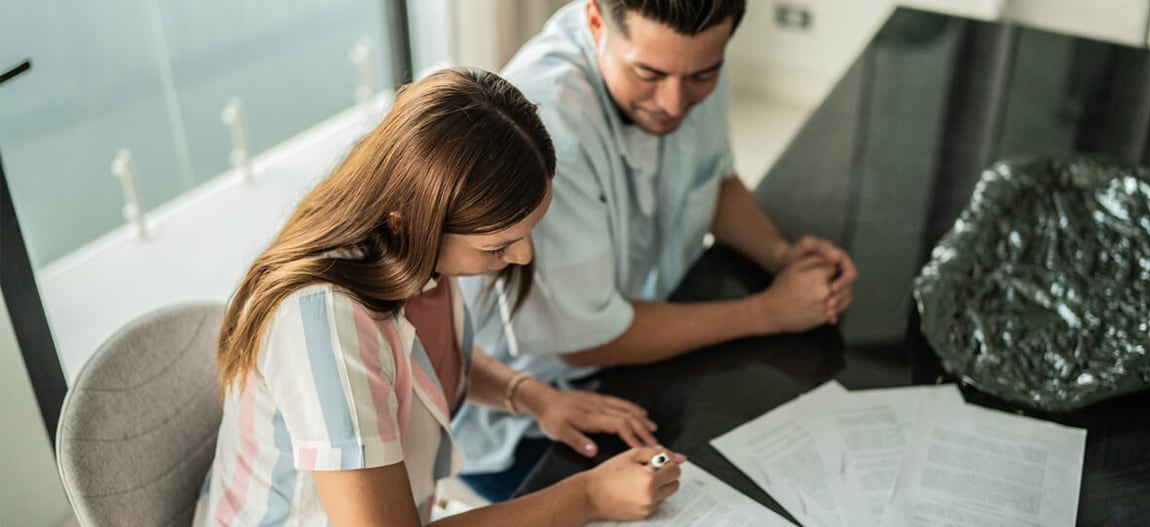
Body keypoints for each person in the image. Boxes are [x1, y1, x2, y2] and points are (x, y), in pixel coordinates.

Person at [193, 67, 684, 527]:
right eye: (498, 245)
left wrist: (535, 397)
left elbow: (419, 362)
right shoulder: (323, 324)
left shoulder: (413, 249)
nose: (524, 256)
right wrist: (587, 497)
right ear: (410, 220)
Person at [453, 0, 859, 501]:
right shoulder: (550, 125)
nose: (673, 102)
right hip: (534, 408)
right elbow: (586, 339)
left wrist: (783, 258)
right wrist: (771, 311)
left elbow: (714, 180)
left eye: (702, 76)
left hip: (641, 344)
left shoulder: (689, 61)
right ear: (596, 21)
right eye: (648, 73)